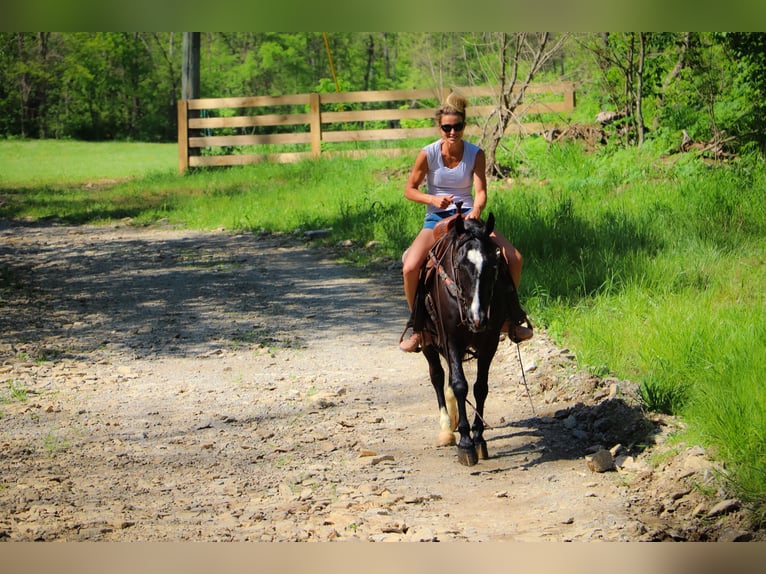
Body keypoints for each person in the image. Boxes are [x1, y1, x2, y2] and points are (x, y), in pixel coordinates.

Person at [399, 92, 533, 352]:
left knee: (514, 258)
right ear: (439, 127)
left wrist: (478, 209)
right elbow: (409, 189)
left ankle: (509, 317)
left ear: (463, 127)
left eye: (457, 127)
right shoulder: (427, 154)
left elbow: (480, 190)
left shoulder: (475, 153)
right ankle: (420, 327)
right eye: (446, 127)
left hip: (469, 217)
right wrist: (433, 199)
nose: (452, 132)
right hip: (436, 220)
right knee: (410, 266)